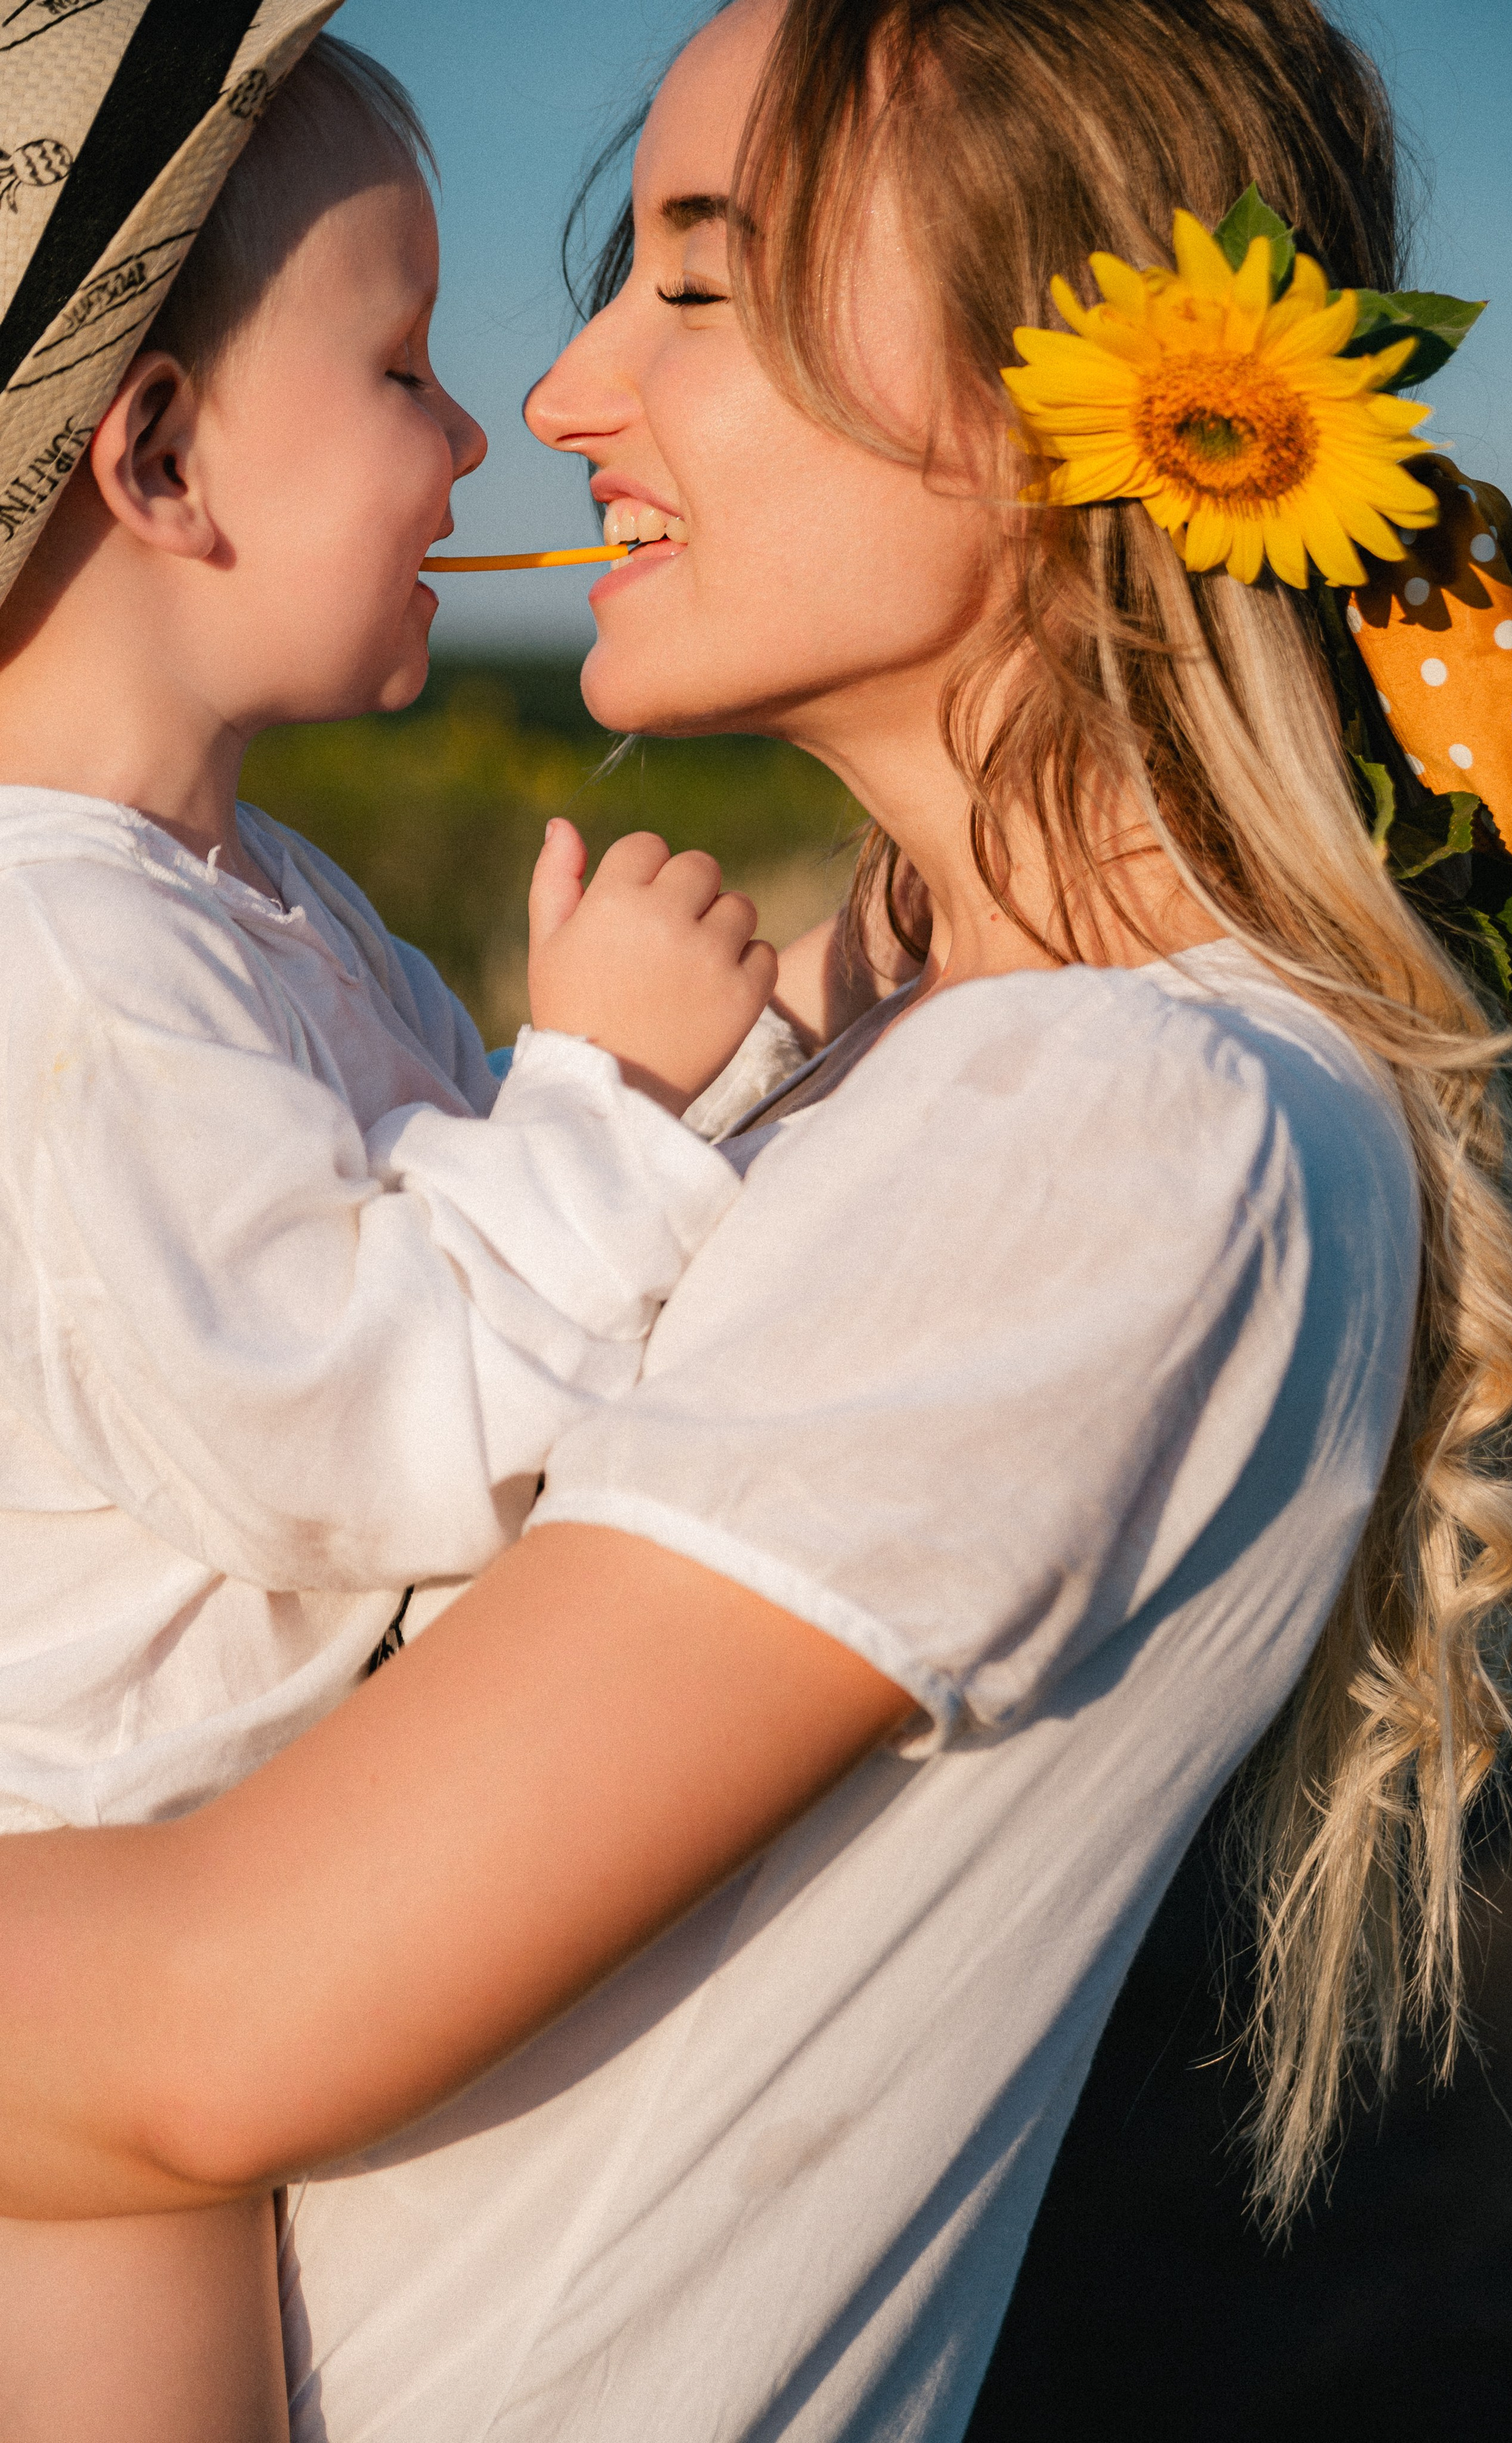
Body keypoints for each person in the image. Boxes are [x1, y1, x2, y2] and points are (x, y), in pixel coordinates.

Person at [0, 3, 1512, 2438]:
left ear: (1064, 365)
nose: (555, 402)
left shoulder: (1125, 1120)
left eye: (699, 278)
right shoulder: (964, 1078)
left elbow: (206, 2035)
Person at [0, 25, 825, 2442]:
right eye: (400, 366)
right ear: (155, 457)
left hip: (202, 1885)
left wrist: (685, 1097)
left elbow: (475, 1247)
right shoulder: (71, 968)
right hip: (89, 1956)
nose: (480, 439)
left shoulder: (233, 895)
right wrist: (602, 1100)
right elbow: (336, 1421)